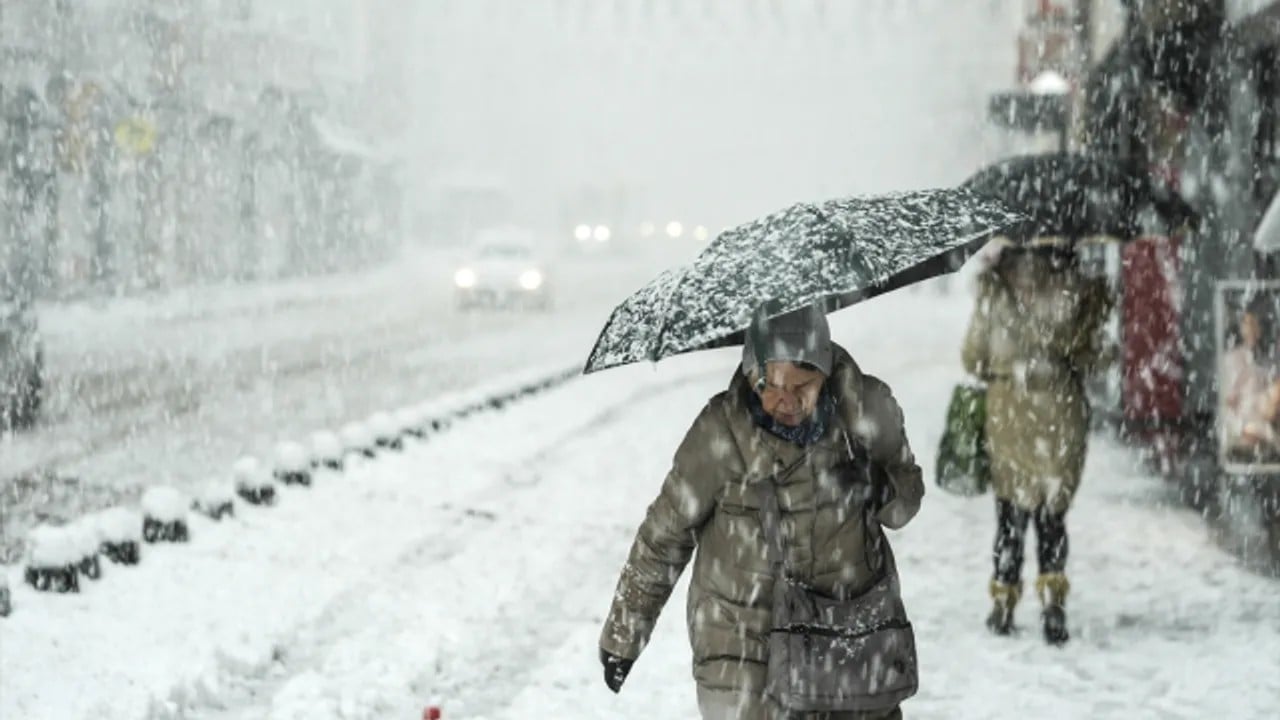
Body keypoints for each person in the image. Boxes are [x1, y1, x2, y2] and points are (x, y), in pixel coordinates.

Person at [598, 304, 924, 720]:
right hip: (745, 648)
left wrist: (876, 483)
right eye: (769, 384)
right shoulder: (720, 430)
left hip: (849, 638)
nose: (785, 400)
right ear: (751, 374)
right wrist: (623, 635)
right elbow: (665, 536)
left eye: (802, 385)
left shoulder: (867, 410)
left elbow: (904, 506)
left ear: (825, 373)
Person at [961, 241, 1112, 645]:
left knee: (1010, 515)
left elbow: (973, 357)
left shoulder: (995, 293)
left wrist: (1004, 365)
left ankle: (1003, 602)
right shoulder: (1076, 291)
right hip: (1060, 416)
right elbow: (1096, 357)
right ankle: (1052, 604)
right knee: (1052, 516)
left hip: (1009, 415)